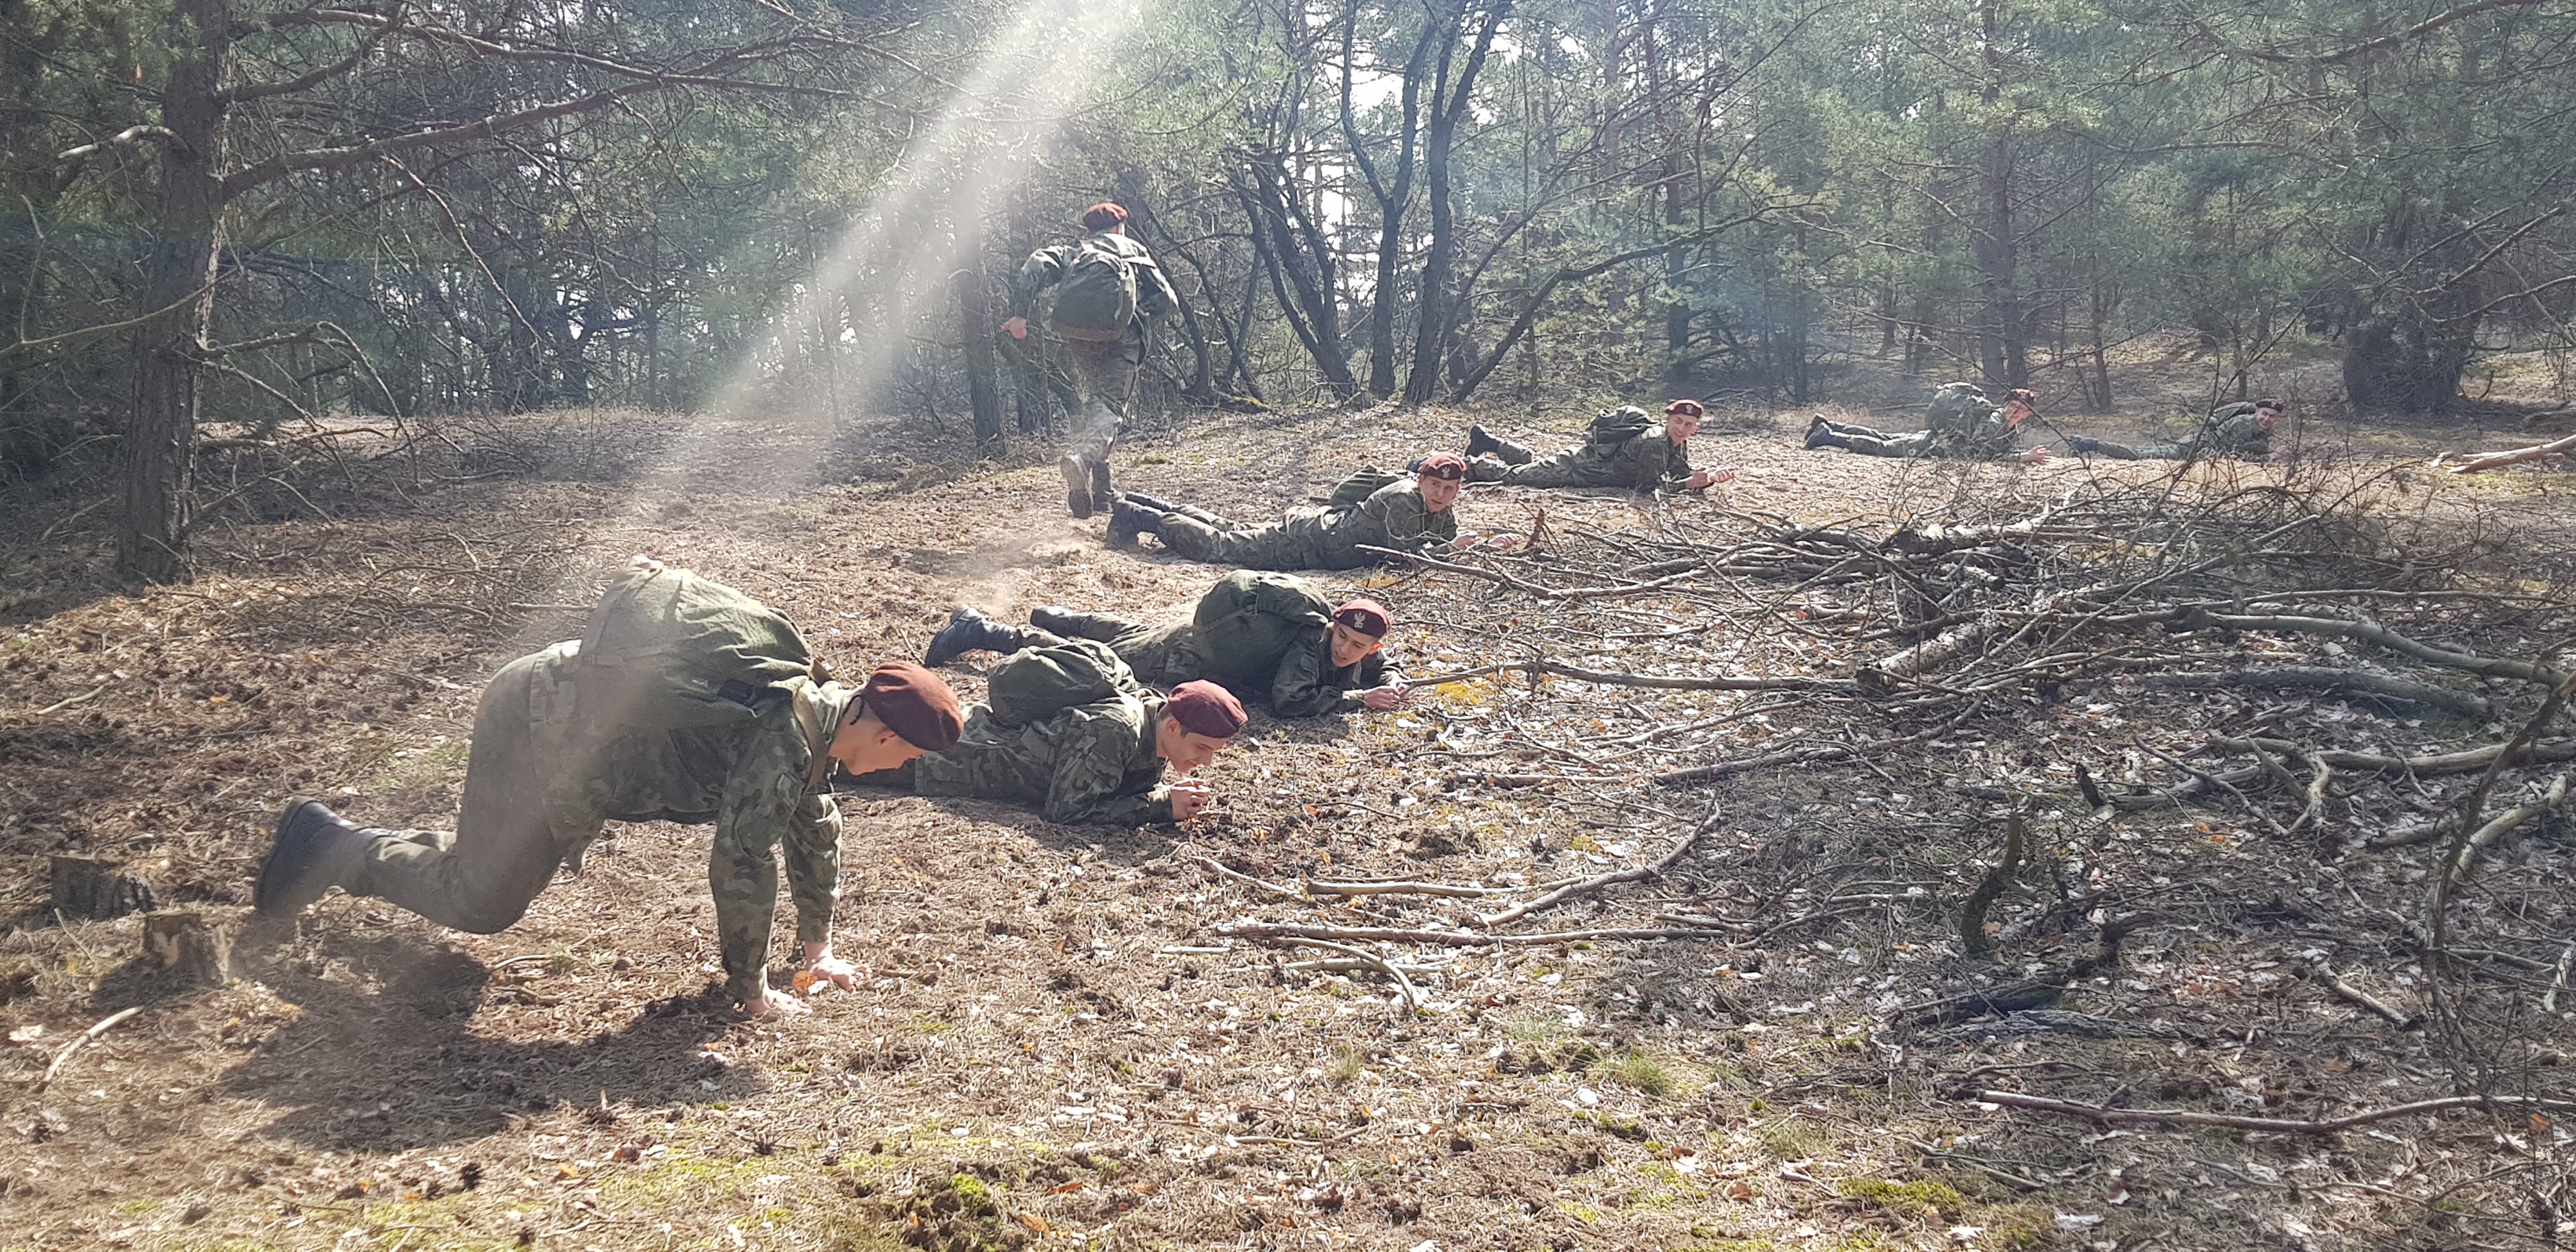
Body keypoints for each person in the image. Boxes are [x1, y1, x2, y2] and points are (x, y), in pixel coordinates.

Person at [252, 565, 966, 1021]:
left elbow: (814, 828)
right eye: (903, 755)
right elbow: (743, 862)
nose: (894, 768)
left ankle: (365, 847)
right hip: (542, 716)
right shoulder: (784, 737)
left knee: (484, 872)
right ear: (883, 733)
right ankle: (327, 844)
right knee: (483, 900)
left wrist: (817, 949)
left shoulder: (818, 718)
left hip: (562, 704)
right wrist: (750, 990)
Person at [921, 572, 1409, 717]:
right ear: (1331, 628)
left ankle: (1069, 618)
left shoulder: (1361, 647)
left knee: (1132, 633)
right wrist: (1357, 699)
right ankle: (984, 631)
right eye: (1342, 637)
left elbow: (1381, 660)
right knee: (1104, 661)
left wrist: (1389, 678)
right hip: (1187, 657)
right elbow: (1290, 699)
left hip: (1191, 638)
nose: (1345, 650)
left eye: (1357, 646)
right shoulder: (1311, 644)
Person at [846, 676, 1245, 826]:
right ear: (1173, 726)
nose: (1205, 761)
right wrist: (1162, 806)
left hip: (954, 743)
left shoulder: (1153, 725)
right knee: (832, 749)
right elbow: (1067, 810)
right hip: (939, 759)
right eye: (1201, 748)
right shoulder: (1117, 730)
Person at [1005, 202, 1179, 519]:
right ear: (1120, 228)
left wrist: (1020, 313)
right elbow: (1167, 300)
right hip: (1122, 339)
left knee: (1097, 403)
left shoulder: (1079, 251)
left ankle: (1102, 493)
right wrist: (1138, 316)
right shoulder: (1134, 251)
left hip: (1078, 337)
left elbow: (1036, 264)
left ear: (1089, 231)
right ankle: (1082, 460)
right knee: (1111, 406)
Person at [1105, 453, 1514, 570]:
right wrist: (1458, 551)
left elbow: (1442, 541)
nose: (1442, 493)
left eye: (1450, 488)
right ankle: (1140, 517)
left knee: (1233, 529)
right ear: (1422, 481)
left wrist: (1481, 548)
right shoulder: (1405, 498)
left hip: (1316, 533)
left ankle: (1145, 505)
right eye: (1436, 485)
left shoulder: (1437, 508)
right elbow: (1407, 557)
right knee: (1222, 547)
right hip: (1308, 542)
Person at [1464, 399, 1737, 491]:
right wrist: (1690, 484)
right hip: (1577, 469)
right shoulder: (1655, 442)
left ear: (1694, 429)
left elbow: (1678, 471)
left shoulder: (1675, 440)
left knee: (1534, 465)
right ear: (1667, 419)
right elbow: (1648, 488)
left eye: (1688, 424)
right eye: (1677, 421)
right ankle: (1464, 465)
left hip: (1583, 465)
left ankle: (1489, 442)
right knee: (1514, 477)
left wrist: (1708, 479)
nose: (1681, 428)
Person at [1804, 384, 2055, 464]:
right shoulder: (1995, 420)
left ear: (2028, 414)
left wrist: (2023, 455)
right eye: (2013, 405)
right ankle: (1828, 436)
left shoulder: (2010, 427)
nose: (2016, 410)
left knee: (1885, 436)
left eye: (2021, 409)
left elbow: (2000, 450)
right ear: (2006, 404)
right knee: (1884, 448)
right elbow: (1984, 454)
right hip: (1936, 447)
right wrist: (2023, 459)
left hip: (1937, 441)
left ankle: (1830, 424)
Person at [2068, 398, 2283, 461]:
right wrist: (2271, 457)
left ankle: (2088, 443)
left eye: (2272, 416)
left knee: (2142, 451)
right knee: (2138, 455)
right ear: (2257, 412)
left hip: (2195, 447)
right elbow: (2238, 456)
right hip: (2190, 450)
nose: (2267, 419)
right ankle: (2089, 444)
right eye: (2264, 414)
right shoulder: (2244, 424)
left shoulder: (2262, 429)